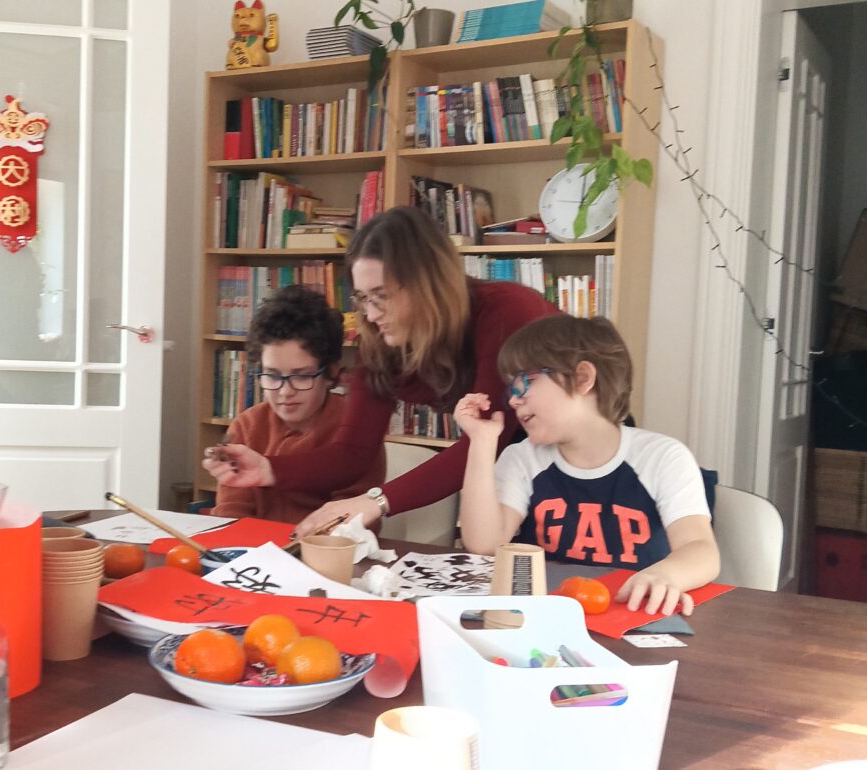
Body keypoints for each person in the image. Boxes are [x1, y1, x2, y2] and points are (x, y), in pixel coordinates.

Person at [202, 206, 557, 536]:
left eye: (381, 295)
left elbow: (483, 444)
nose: (370, 314)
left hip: (570, 458)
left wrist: (376, 502)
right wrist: (268, 469)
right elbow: (351, 455)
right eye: (362, 298)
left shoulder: (508, 312)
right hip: (516, 468)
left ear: (426, 284)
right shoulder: (383, 341)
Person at [454, 314, 720, 616]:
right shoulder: (521, 458)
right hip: (547, 616)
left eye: (524, 382)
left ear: (582, 378)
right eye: (511, 390)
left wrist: (666, 576)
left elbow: (701, 550)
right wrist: (481, 441)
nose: (514, 401)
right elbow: (485, 545)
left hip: (633, 612)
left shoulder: (663, 457)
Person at [207, 284, 385, 524]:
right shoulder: (246, 426)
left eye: (301, 376)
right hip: (256, 546)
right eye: (272, 375)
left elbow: (353, 522)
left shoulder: (358, 430)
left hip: (329, 546)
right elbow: (230, 514)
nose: (285, 391)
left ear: (330, 373)